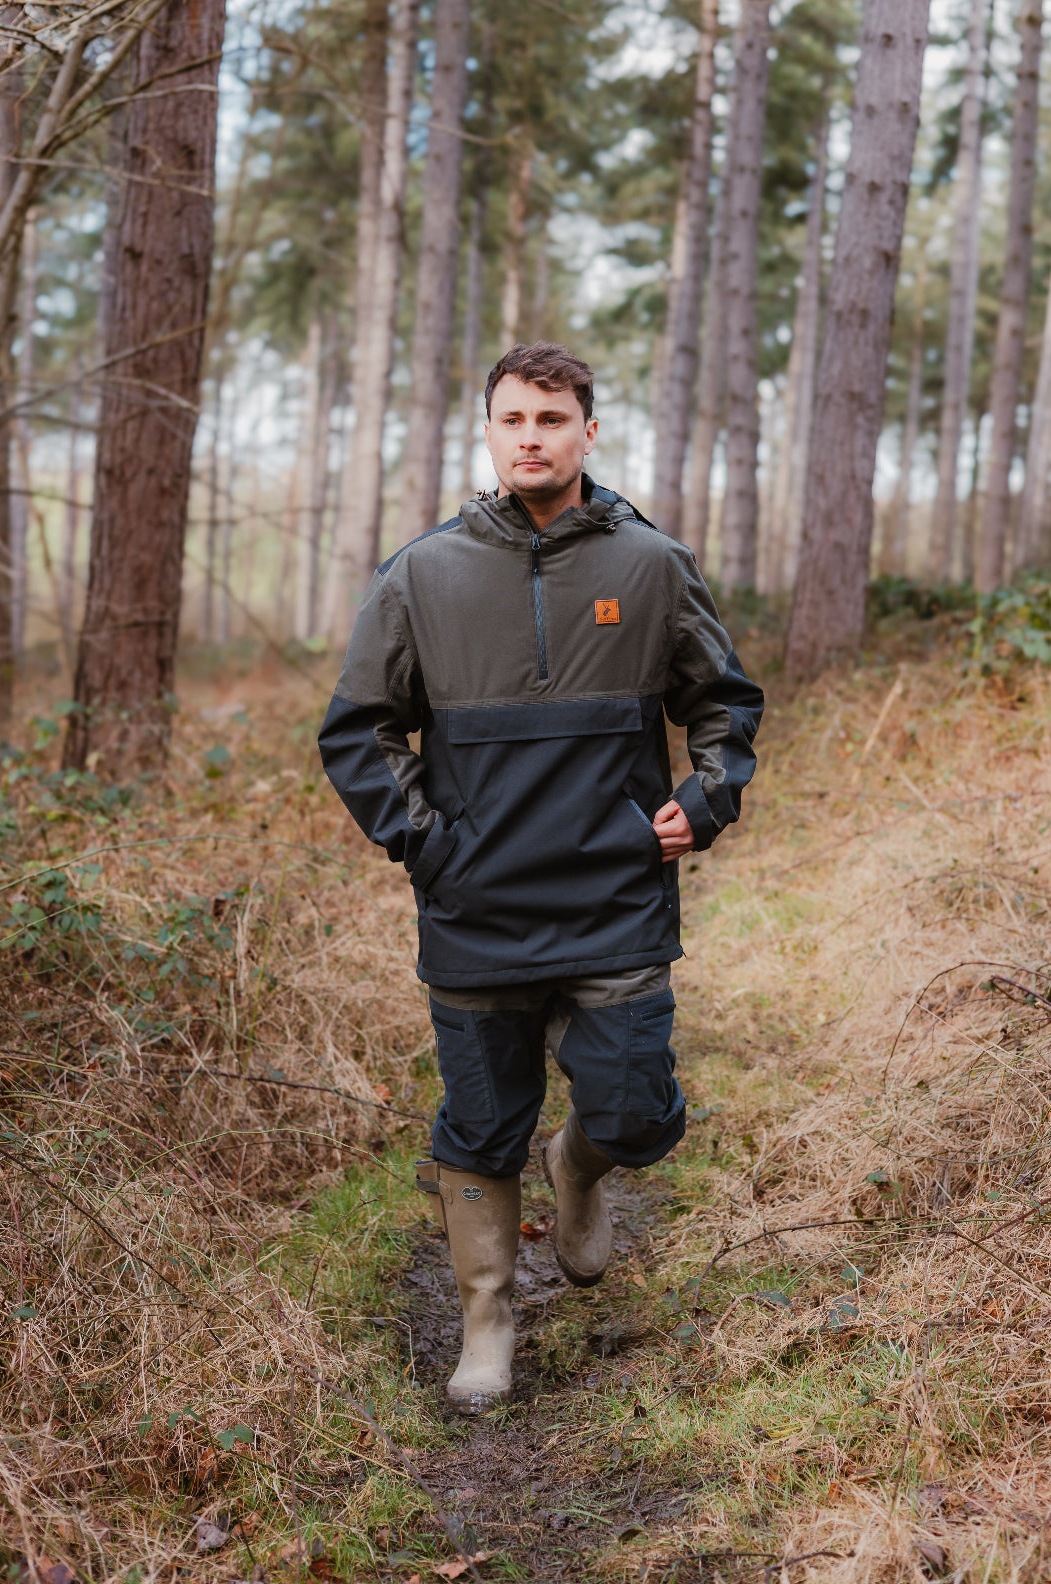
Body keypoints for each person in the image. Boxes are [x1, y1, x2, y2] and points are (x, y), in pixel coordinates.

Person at [319, 342, 763, 1415]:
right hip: (476, 902)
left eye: (552, 420)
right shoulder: (422, 573)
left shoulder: (652, 565)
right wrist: (430, 844)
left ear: (588, 433)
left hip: (614, 897)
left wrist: (702, 802)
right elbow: (360, 732)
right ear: (489, 431)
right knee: (479, 1124)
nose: (532, 437)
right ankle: (486, 1325)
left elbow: (724, 704)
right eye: (513, 419)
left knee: (639, 1108)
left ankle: (580, 1168)